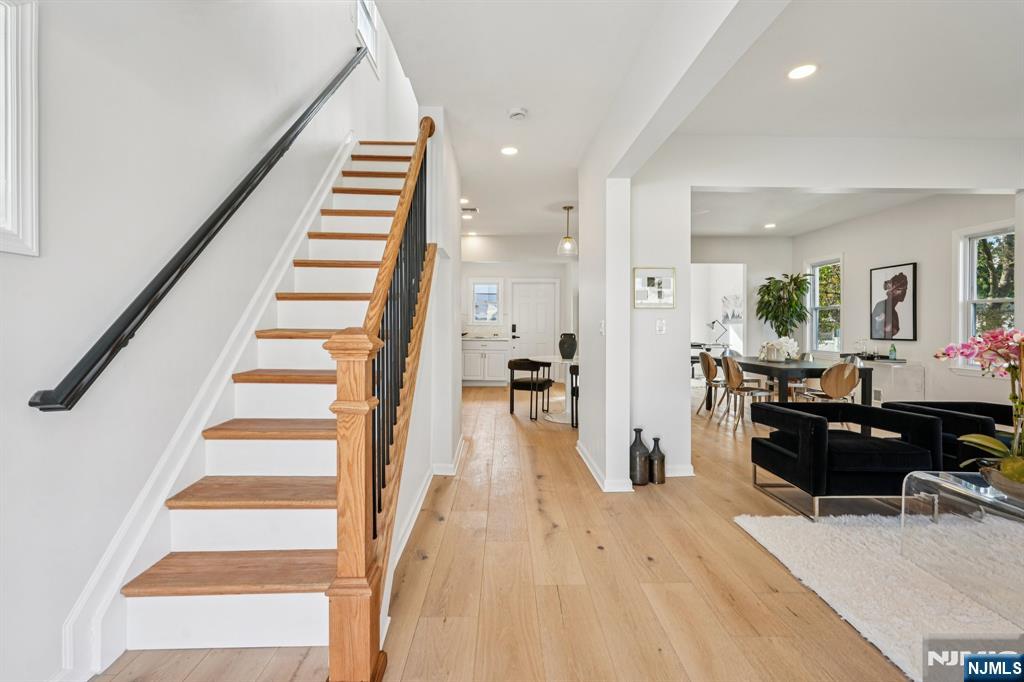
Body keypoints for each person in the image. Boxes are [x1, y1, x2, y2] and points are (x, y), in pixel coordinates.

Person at [871, 271, 908, 339]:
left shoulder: (894, 313)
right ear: (893, 290)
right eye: (901, 289)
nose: (904, 292)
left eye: (905, 289)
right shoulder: (881, 306)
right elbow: (874, 332)